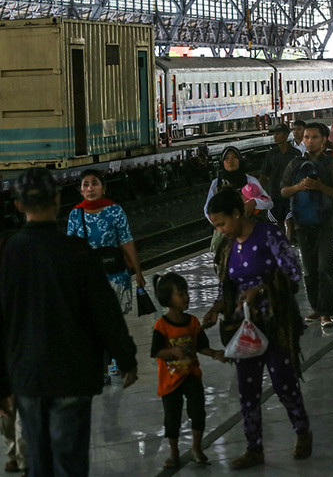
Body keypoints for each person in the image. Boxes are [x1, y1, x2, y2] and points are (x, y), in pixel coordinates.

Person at [0, 168, 138, 476]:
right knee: (70, 461)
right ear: (58, 200)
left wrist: (2, 381)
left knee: (38, 461)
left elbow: (4, 318)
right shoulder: (77, 251)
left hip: (28, 374)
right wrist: (126, 357)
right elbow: (104, 311)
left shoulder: (11, 252)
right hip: (72, 373)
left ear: (19, 205)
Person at [202, 189, 311, 470]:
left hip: (275, 324)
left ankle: (301, 431)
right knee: (247, 389)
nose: (220, 230)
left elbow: (294, 273)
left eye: (222, 224)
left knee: (283, 383)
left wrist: (260, 290)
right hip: (244, 328)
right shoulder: (228, 247)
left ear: (237, 214)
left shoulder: (268, 235)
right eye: (215, 226)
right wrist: (216, 308)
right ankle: (254, 448)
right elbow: (226, 285)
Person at [66, 170, 145, 383]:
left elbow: (126, 240)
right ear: (80, 190)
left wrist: (138, 271)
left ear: (104, 187)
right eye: (85, 185)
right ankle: (102, 365)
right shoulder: (75, 214)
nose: (90, 188)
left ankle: (111, 364)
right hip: (87, 278)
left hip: (116, 276)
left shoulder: (115, 211)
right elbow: (70, 249)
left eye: (94, 183)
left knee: (112, 321)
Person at [151, 273, 225, 469]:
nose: (186, 297)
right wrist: (172, 351)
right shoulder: (161, 325)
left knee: (198, 411)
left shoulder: (192, 322)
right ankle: (174, 452)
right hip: (170, 380)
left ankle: (196, 448)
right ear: (168, 299)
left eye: (186, 293)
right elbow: (156, 351)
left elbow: (200, 345)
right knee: (172, 417)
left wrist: (215, 353)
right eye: (180, 294)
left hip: (191, 375)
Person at [281, 122, 333, 327]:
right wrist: (299, 187)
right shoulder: (295, 164)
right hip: (302, 222)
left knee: (325, 267)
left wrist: (319, 186)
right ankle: (317, 308)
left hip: (326, 222)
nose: (309, 141)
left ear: (324, 139)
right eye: (307, 137)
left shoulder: (332, 164)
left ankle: (326, 312)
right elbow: (283, 191)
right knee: (309, 269)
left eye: (314, 137)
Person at [204, 147, 273, 276]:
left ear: (240, 160)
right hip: (226, 234)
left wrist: (255, 202)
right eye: (227, 158)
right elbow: (207, 209)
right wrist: (220, 225)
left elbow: (269, 202)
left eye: (234, 157)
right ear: (222, 162)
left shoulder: (250, 181)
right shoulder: (217, 183)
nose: (231, 161)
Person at [258, 124, 298, 231]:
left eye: (278, 133)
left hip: (290, 193)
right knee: (279, 221)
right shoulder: (271, 154)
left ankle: (288, 243)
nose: (275, 136)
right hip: (275, 193)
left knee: (290, 220)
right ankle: (284, 244)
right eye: (274, 134)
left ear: (286, 135)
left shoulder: (295, 154)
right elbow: (264, 173)